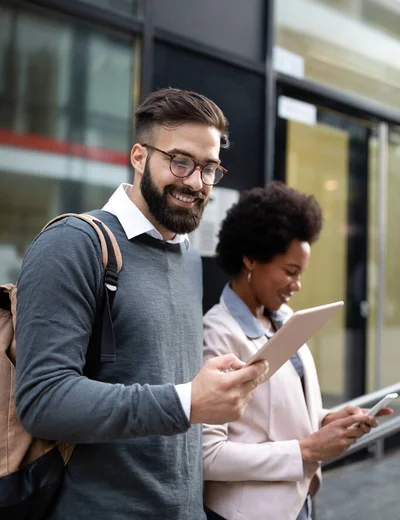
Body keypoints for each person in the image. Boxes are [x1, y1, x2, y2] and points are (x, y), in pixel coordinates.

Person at [15, 88, 269, 520]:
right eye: (181, 162)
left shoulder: (186, 255)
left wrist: (207, 390)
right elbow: (43, 400)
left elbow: (161, 380)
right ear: (138, 156)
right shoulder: (72, 245)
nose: (196, 183)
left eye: (209, 169)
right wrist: (186, 401)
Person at [202, 183, 392, 520]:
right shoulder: (216, 334)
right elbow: (208, 456)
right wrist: (307, 450)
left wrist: (326, 419)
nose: (297, 285)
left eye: (300, 274)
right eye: (290, 272)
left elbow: (272, 417)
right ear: (250, 258)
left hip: (297, 503)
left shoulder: (285, 319)